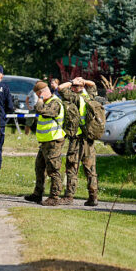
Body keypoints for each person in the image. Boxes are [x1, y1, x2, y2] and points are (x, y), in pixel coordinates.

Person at [58, 77, 99, 206]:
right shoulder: (89, 96)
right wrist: (83, 81)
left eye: (74, 86)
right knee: (90, 168)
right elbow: (93, 84)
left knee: (71, 167)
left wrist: (72, 82)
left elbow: (60, 88)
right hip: (89, 138)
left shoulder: (74, 98)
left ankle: (69, 196)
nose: (72, 88)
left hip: (77, 138)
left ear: (76, 87)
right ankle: (93, 197)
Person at [24, 81, 66, 206]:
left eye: (39, 94)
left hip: (54, 141)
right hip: (45, 142)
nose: (38, 97)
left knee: (53, 169)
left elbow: (40, 109)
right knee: (39, 167)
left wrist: (40, 99)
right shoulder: (48, 102)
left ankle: (54, 196)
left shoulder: (55, 102)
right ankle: (38, 194)